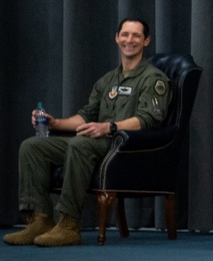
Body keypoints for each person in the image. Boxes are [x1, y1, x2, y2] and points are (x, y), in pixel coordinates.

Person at [3, 17, 172, 247]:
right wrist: (55, 123)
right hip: (95, 139)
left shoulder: (153, 79)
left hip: (121, 145)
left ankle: (69, 224)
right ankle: (40, 219)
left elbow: (149, 119)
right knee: (32, 146)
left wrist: (110, 127)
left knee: (79, 144)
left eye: (136, 36)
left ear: (146, 41)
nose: (129, 40)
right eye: (125, 34)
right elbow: (86, 116)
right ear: (116, 38)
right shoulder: (107, 80)